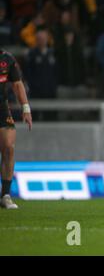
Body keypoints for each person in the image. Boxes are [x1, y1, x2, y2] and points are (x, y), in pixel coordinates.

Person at [0, 49, 32, 209]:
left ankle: (5, 195)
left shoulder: (7, 59)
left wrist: (26, 108)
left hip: (1, 108)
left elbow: (17, 84)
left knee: (9, 148)